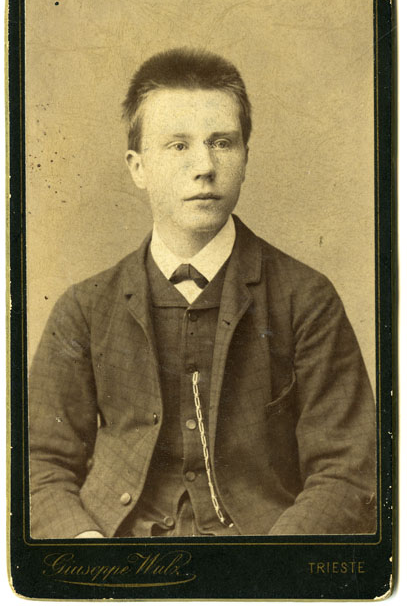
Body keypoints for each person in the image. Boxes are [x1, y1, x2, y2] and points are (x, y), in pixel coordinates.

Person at [29, 48, 376, 538]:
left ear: (245, 158)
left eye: (222, 143)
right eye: (178, 146)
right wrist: (89, 552)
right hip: (116, 556)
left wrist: (273, 566)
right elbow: (38, 463)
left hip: (261, 557)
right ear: (137, 167)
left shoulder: (306, 299)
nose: (205, 166)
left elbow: (347, 469)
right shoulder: (84, 309)